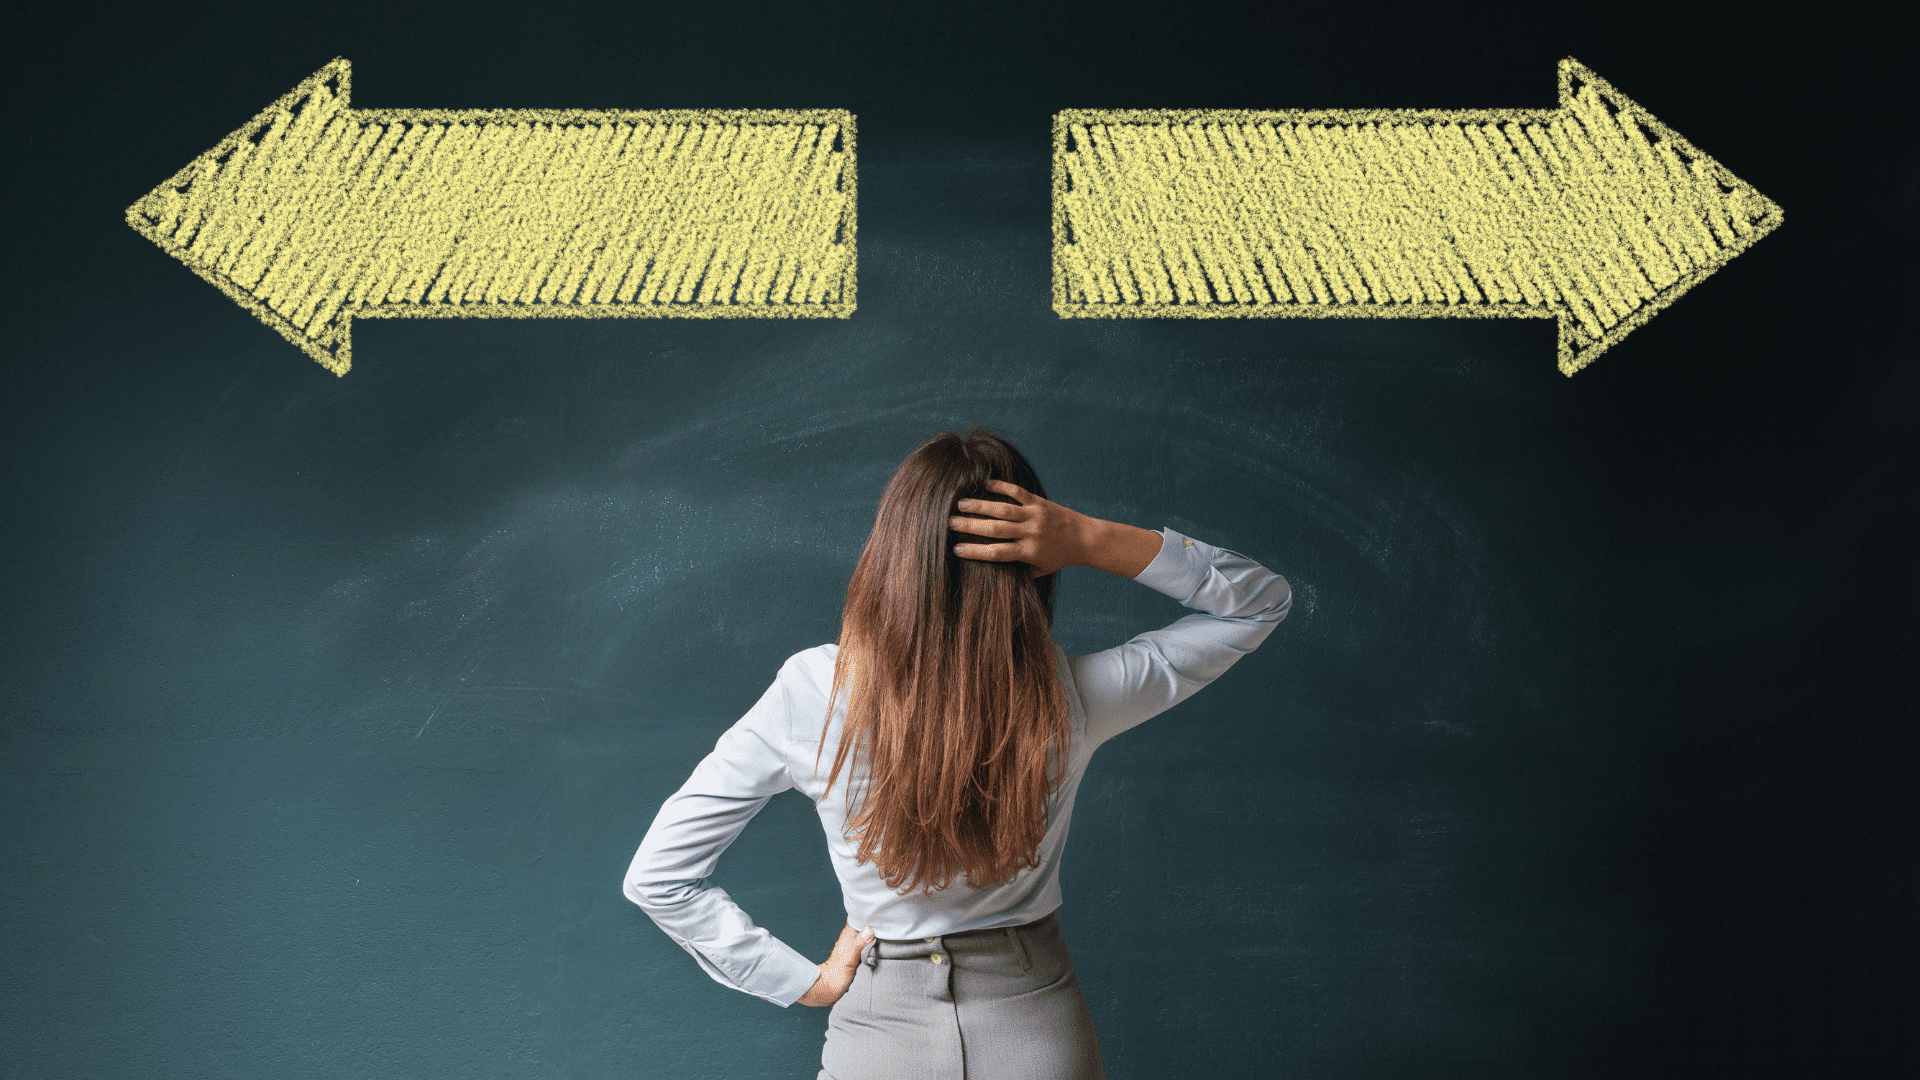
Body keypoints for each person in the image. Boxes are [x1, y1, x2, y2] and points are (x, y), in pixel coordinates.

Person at [622, 428, 1291, 1080]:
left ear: (891, 550)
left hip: (877, 1039)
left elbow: (658, 876)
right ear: (1035, 564)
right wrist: (1089, 539)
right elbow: (1258, 603)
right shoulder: (1075, 696)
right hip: (1036, 1027)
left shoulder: (812, 692)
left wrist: (807, 984)